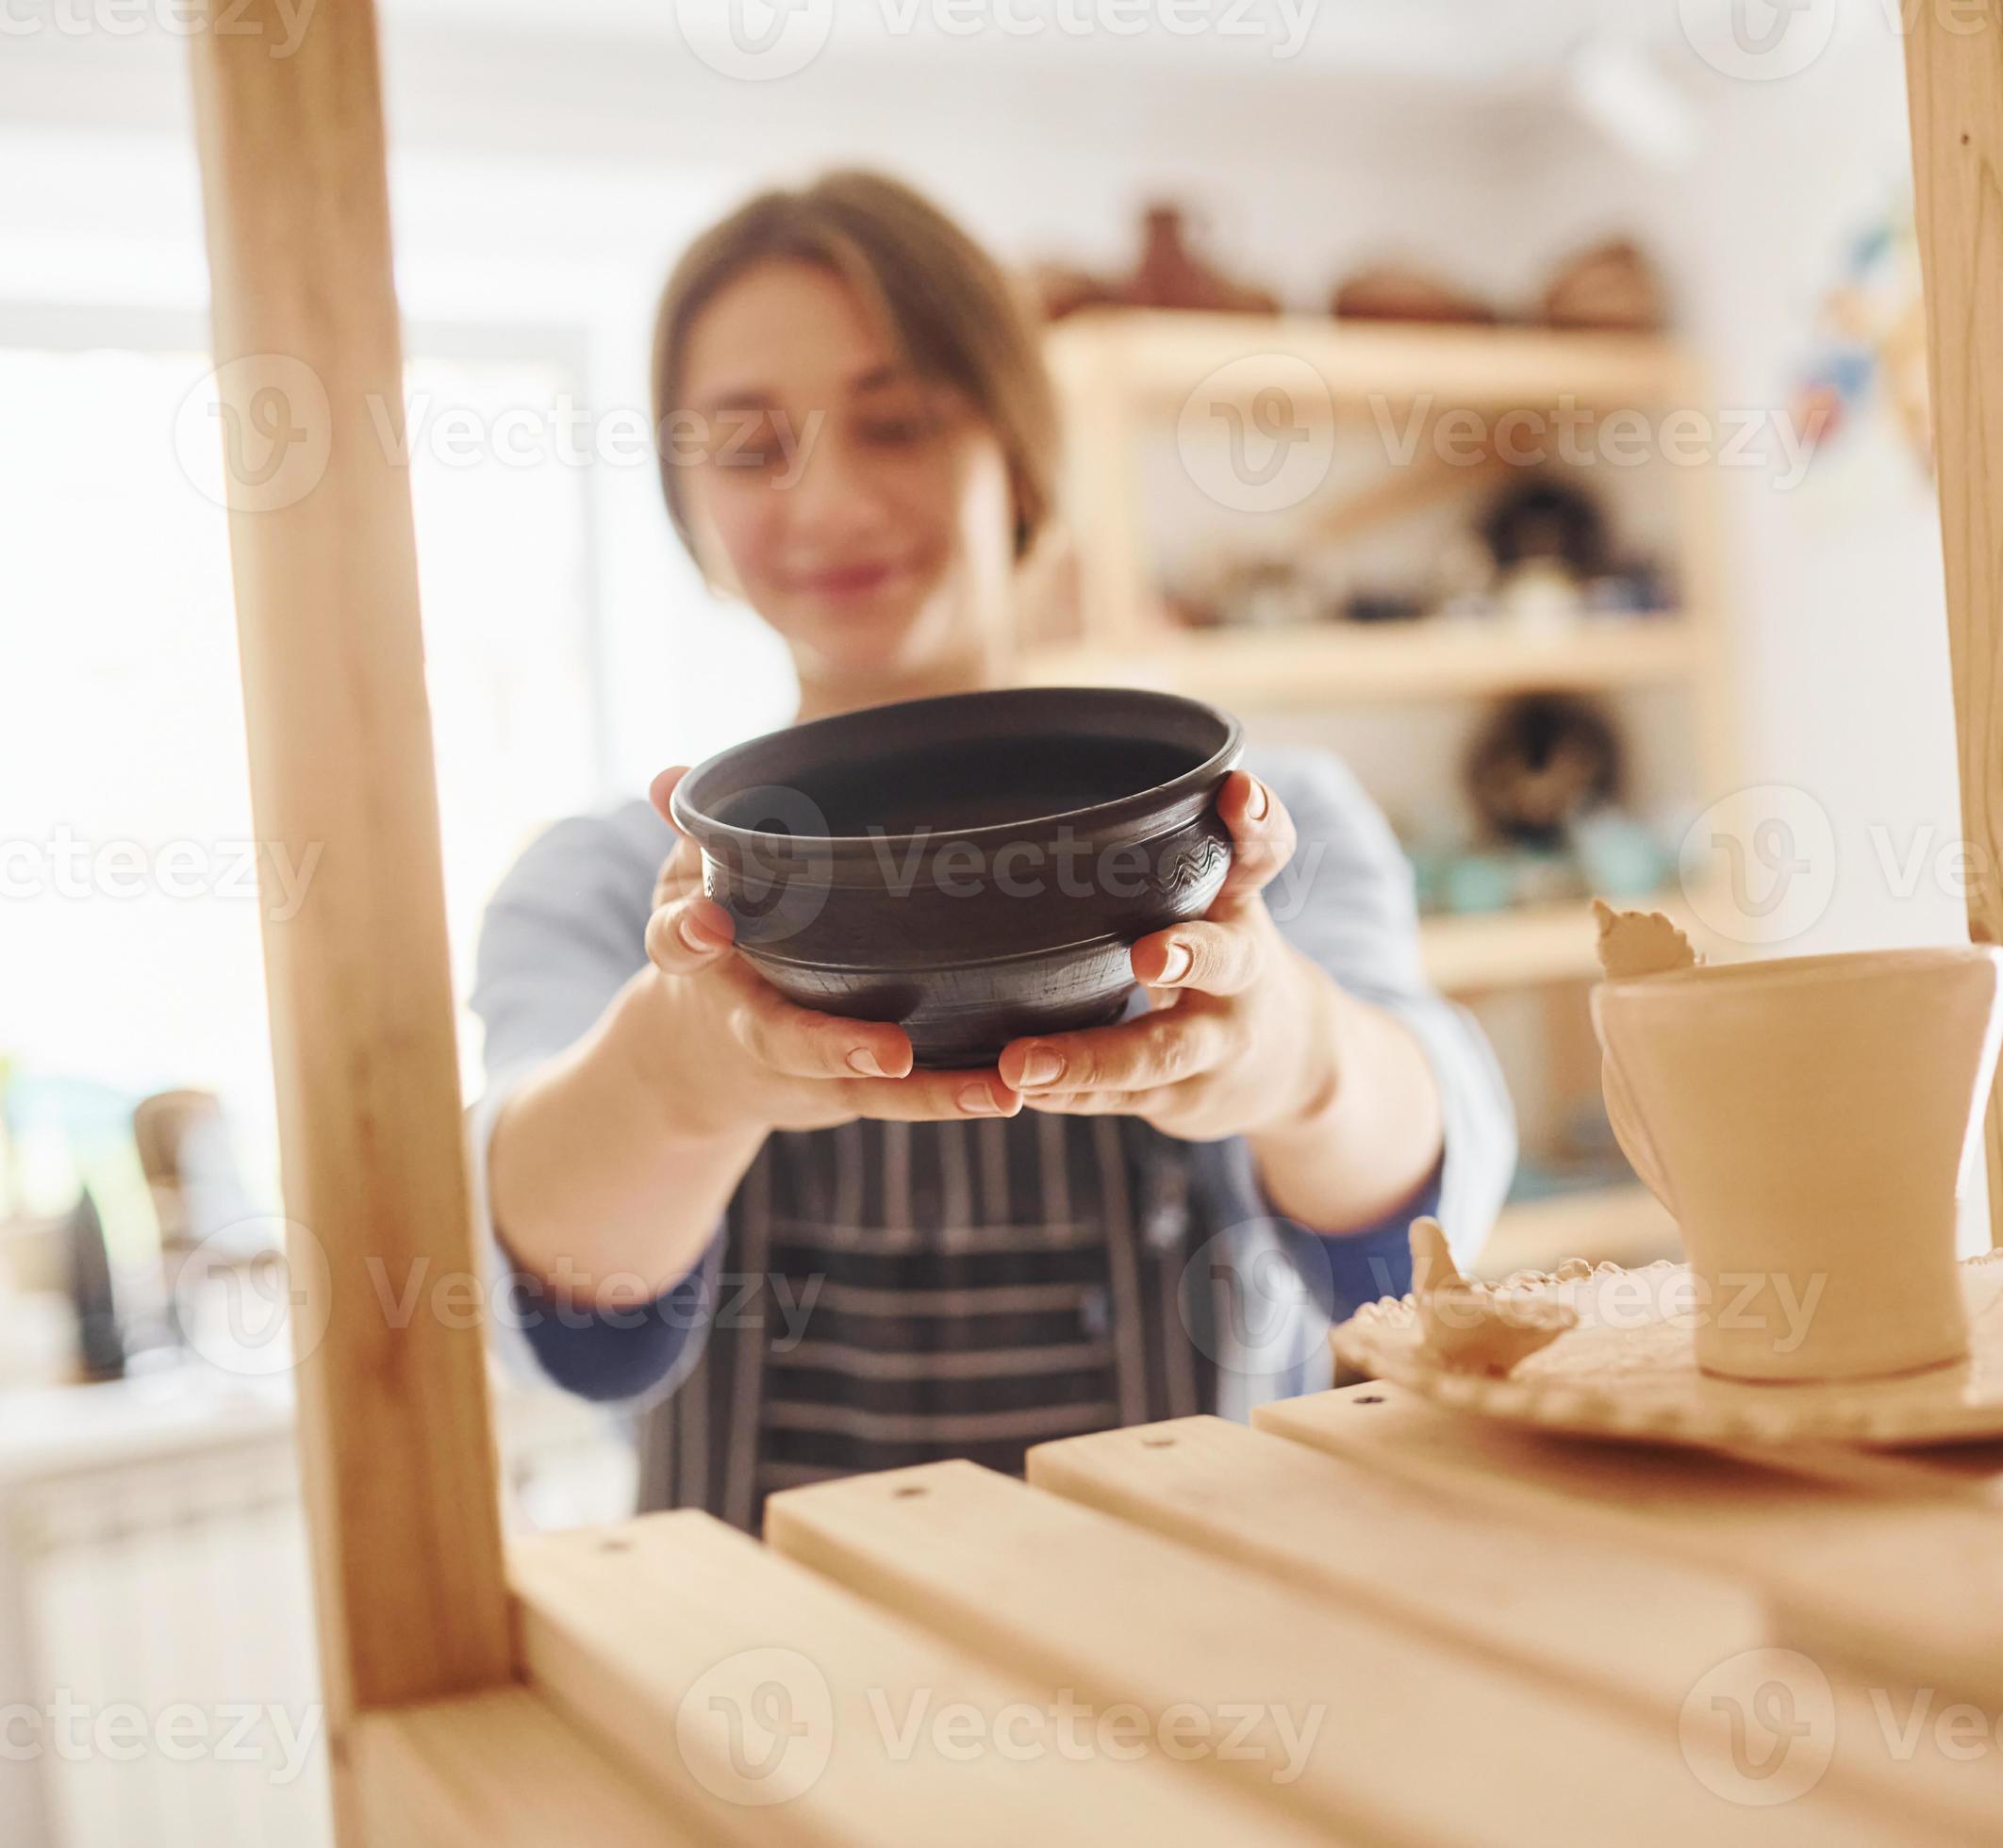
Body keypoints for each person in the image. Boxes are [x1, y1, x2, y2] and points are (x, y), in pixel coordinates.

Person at [467, 171, 1511, 1534]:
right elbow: (564, 1306)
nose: (829, 501)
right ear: (683, 502)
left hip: (1218, 1656)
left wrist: (1298, 1057)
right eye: (745, 444)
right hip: (772, 1690)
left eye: (896, 423)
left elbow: (1409, 1238)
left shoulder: (1255, 815)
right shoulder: (608, 884)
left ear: (1017, 454)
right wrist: (677, 1071)